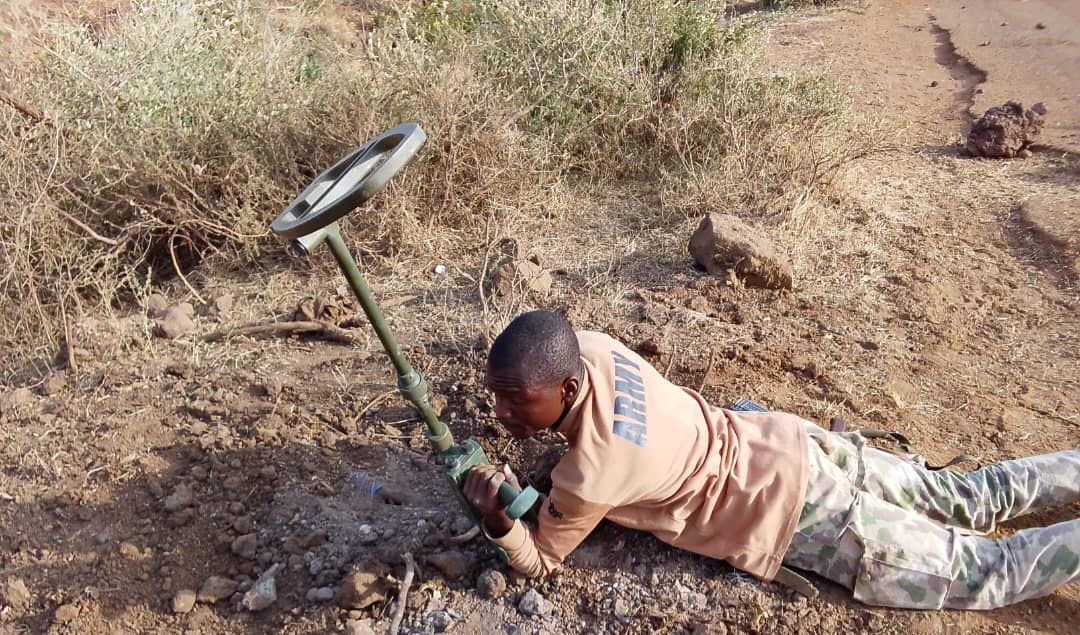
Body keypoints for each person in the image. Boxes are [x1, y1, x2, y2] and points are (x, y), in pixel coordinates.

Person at [463, 310, 1080, 609]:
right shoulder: (591, 348)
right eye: (497, 397)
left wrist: (498, 521)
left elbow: (542, 561)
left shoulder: (593, 470)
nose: (502, 415)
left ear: (566, 389)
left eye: (517, 401)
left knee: (985, 571)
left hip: (800, 513)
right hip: (789, 440)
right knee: (966, 497)